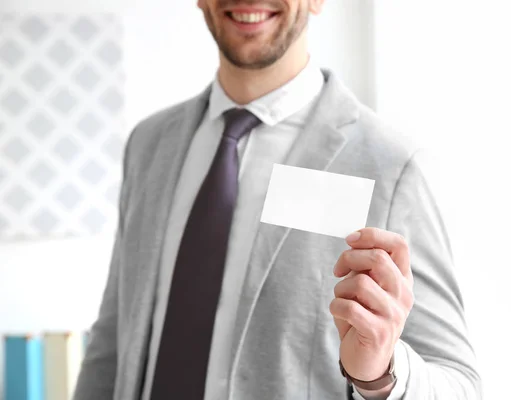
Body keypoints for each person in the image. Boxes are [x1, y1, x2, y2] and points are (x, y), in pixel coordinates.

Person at [73, 0, 481, 399]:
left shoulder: (392, 166)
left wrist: (380, 375)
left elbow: (460, 384)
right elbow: (113, 338)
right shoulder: (149, 145)